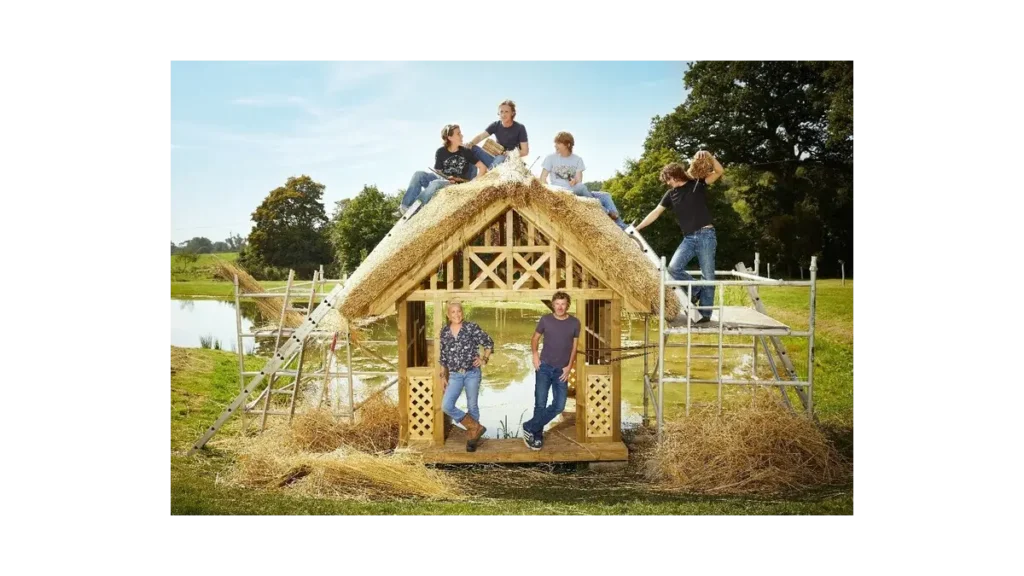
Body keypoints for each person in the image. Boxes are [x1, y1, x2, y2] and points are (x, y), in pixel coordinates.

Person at [633, 152, 725, 323]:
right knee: (673, 269)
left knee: (708, 275)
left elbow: (719, 171)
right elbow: (655, 212)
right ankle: (696, 291)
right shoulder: (670, 195)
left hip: (706, 235)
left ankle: (705, 314)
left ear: (674, 176)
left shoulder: (697, 183)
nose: (667, 183)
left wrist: (709, 156)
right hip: (688, 238)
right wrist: (637, 229)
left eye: (668, 180)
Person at [522, 291, 580, 450]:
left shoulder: (575, 323)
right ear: (553, 305)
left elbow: (574, 347)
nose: (560, 307)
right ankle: (537, 435)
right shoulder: (545, 320)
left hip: (561, 370)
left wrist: (569, 366)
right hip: (544, 368)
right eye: (557, 304)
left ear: (567, 305)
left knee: (559, 405)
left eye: (563, 304)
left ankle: (529, 426)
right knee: (540, 404)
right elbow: (535, 339)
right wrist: (535, 355)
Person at [539, 131, 627, 230]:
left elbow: (579, 181)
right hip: (562, 193)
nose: (555, 145)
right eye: (555, 143)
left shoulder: (577, 160)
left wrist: (574, 181)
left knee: (605, 196)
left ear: (568, 144)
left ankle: (622, 227)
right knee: (581, 188)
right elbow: (542, 179)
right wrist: (550, 192)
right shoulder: (550, 158)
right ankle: (606, 212)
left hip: (577, 191)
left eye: (558, 143)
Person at [439, 300, 495, 452]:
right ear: (448, 315)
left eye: (459, 311)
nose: (456, 314)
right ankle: (475, 427)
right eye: (453, 312)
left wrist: (484, 359)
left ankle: (472, 438)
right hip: (455, 375)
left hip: (472, 373)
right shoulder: (444, 332)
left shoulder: (471, 327)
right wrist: (443, 375)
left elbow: (489, 343)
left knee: (472, 406)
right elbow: (443, 356)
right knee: (446, 405)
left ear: (462, 313)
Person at [399, 124, 488, 215]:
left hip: (456, 184)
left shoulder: (465, 151)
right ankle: (405, 206)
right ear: (450, 137)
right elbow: (438, 171)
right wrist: (444, 177)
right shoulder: (440, 152)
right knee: (418, 174)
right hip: (443, 180)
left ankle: (416, 207)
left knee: (436, 183)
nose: (462, 135)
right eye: (458, 134)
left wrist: (471, 183)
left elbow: (483, 168)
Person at [463, 100, 529, 168]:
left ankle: (490, 173)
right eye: (501, 112)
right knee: (471, 149)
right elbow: (481, 137)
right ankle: (472, 174)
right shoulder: (495, 125)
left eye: (506, 111)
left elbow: (525, 151)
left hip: (509, 161)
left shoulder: (520, 128)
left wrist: (509, 154)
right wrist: (470, 144)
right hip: (495, 158)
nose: (503, 115)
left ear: (512, 113)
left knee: (501, 158)